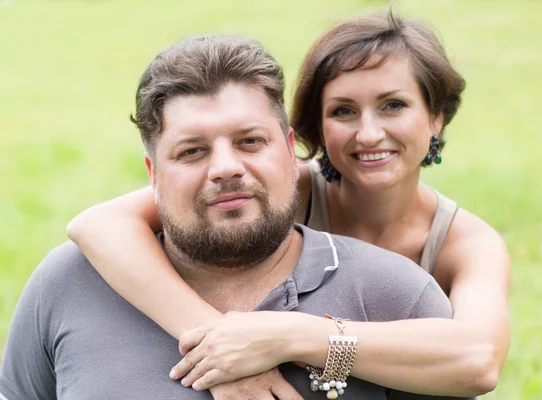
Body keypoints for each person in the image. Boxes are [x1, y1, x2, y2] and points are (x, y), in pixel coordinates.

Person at [0, 33, 470, 400]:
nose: (225, 167)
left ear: (289, 152)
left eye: (249, 141)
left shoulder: (395, 296)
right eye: (191, 151)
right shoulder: (67, 284)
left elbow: (474, 363)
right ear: (153, 174)